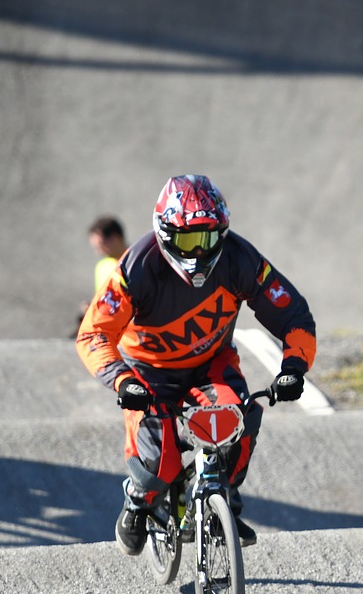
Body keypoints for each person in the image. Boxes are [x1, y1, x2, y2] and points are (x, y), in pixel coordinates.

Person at [75, 174, 316, 556]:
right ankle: (138, 502)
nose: (199, 253)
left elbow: (294, 316)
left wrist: (293, 367)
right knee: (161, 462)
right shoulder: (136, 266)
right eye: (189, 240)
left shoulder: (241, 258)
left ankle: (226, 501)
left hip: (211, 364)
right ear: (165, 232)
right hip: (147, 374)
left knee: (239, 420)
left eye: (209, 238)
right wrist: (122, 380)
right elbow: (93, 335)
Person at [71, 216, 127, 338]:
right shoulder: (102, 266)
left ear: (115, 238)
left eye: (100, 245)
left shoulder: (137, 263)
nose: (98, 251)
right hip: (110, 333)